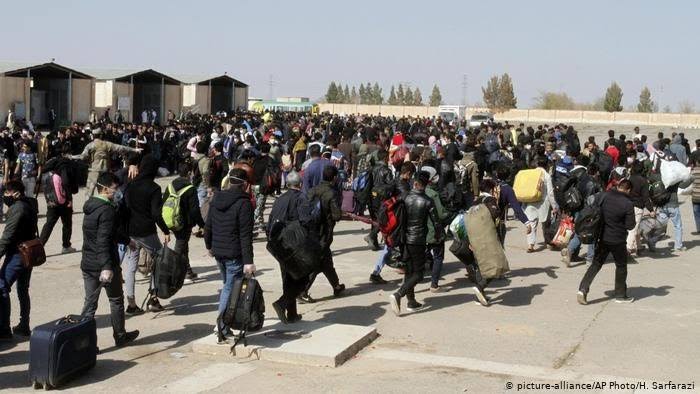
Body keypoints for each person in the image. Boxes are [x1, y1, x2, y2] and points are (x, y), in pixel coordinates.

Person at [80, 172, 139, 347]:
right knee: (115, 300)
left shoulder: (91, 206)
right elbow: (103, 240)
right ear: (105, 189)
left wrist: (127, 241)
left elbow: (110, 233)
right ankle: (119, 336)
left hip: (88, 262)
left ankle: (85, 344)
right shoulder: (107, 210)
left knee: (90, 303)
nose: (117, 191)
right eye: (115, 188)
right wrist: (106, 267)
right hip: (104, 264)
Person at [204, 168, 256, 339]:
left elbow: (208, 226)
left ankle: (223, 322)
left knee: (228, 285)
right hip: (234, 253)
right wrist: (248, 261)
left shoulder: (216, 198)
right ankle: (221, 325)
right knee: (229, 288)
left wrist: (209, 245)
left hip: (218, 250)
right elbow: (245, 235)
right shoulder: (244, 203)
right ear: (245, 184)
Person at [389, 171, 441, 316]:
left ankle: (411, 301)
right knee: (418, 274)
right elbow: (436, 222)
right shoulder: (427, 201)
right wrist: (438, 236)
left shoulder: (404, 197)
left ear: (415, 182)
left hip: (404, 239)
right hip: (418, 240)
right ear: (426, 184)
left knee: (410, 271)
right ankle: (399, 294)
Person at [124, 155, 171, 313]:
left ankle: (131, 303)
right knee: (159, 260)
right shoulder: (154, 188)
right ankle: (153, 297)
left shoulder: (130, 184)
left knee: (131, 266)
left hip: (130, 230)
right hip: (146, 231)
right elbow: (156, 214)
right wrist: (165, 230)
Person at [577, 180, 636, 305]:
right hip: (618, 239)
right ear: (628, 190)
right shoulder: (628, 203)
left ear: (618, 186)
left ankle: (583, 289)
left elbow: (593, 206)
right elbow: (630, 226)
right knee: (621, 266)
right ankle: (620, 295)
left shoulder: (605, 195)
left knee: (596, 264)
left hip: (602, 237)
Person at [299, 165, 345, 303]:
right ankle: (302, 290)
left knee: (326, 260)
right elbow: (336, 215)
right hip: (324, 232)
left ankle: (336, 286)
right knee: (317, 262)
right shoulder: (331, 193)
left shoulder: (313, 190)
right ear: (334, 178)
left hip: (311, 230)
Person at [268, 171, 309, 323]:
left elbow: (271, 220)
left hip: (278, 243)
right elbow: (306, 221)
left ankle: (292, 313)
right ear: (300, 184)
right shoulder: (301, 198)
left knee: (287, 278)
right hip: (294, 244)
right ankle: (283, 303)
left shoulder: (279, 199)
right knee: (303, 278)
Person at [0, 181, 38, 340]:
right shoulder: (30, 202)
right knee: (23, 289)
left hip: (17, 253)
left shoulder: (17, 209)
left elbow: (7, 237)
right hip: (28, 251)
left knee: (1, 287)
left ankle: (3, 329)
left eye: (7, 193)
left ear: (15, 193)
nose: (4, 196)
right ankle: (24, 325)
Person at [369, 161, 415, 284]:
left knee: (389, 246)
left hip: (391, 219)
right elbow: (407, 202)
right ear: (408, 173)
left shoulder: (394, 181)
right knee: (393, 246)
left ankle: (376, 272)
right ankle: (404, 271)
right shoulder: (403, 186)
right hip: (398, 220)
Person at [162, 163, 204, 284]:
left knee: (183, 246)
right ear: (189, 173)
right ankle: (175, 276)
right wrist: (202, 224)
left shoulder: (171, 186)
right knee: (180, 248)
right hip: (184, 223)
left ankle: (187, 271)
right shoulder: (190, 188)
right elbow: (195, 210)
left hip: (172, 221)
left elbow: (164, 203)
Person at [70, 127, 140, 197]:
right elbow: (121, 148)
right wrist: (134, 149)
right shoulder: (107, 144)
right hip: (105, 170)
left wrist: (71, 157)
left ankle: (88, 206)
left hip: (94, 171)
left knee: (89, 192)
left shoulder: (90, 145)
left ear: (93, 135)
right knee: (106, 191)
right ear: (101, 135)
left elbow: (82, 156)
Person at [39, 152, 77, 254]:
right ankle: (66, 246)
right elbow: (65, 182)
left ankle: (39, 246)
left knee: (49, 224)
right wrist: (69, 199)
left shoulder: (50, 168)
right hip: (63, 202)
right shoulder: (64, 166)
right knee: (67, 223)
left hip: (51, 201)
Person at [522, 157, 558, 252]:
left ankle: (530, 245)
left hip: (531, 201)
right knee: (546, 224)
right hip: (543, 203)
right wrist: (554, 206)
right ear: (547, 165)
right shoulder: (546, 175)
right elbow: (550, 193)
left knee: (532, 223)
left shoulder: (531, 173)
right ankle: (548, 242)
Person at [365, 149, 394, 251]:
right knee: (382, 220)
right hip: (381, 198)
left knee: (374, 219)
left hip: (371, 197)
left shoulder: (372, 168)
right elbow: (391, 186)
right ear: (386, 158)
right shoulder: (386, 170)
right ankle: (372, 236)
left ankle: (374, 243)